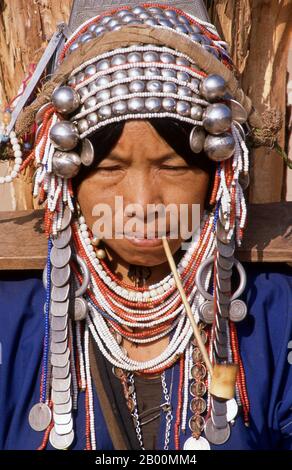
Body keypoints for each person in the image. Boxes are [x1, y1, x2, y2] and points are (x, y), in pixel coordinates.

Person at [0, 3, 292, 451]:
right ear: (69, 179)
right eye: (111, 168)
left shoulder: (273, 314)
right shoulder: (11, 320)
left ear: (217, 176)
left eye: (173, 167)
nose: (140, 204)